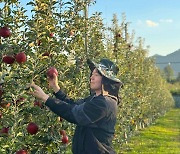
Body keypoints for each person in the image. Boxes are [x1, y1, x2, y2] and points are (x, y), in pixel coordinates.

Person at [30, 58, 123, 154]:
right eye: (92, 73)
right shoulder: (95, 99)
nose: (92, 77)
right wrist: (56, 88)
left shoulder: (104, 103)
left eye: (96, 75)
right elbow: (73, 105)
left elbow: (73, 113)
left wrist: (45, 98)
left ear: (106, 80)